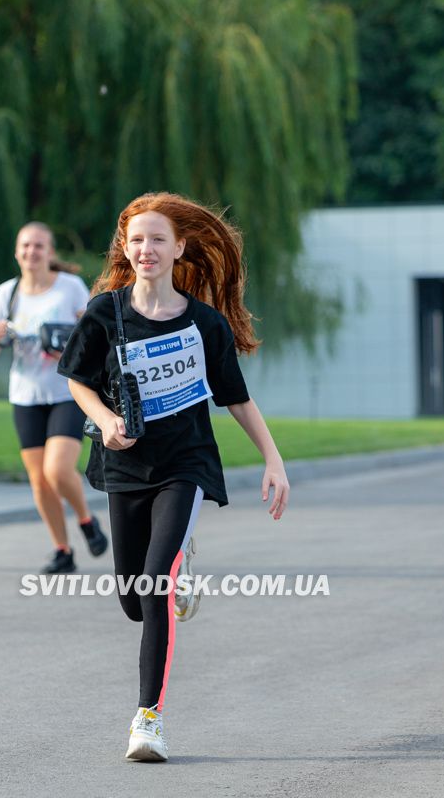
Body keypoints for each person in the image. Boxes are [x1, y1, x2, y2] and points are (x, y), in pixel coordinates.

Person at [58, 192, 290, 762]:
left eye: (157, 238)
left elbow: (235, 396)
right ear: (126, 249)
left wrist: (273, 458)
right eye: (136, 240)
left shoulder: (204, 323)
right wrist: (106, 418)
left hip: (184, 465)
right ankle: (175, 568)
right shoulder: (105, 314)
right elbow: (77, 380)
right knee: (134, 600)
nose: (146, 249)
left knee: (155, 584)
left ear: (179, 247)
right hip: (124, 466)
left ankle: (148, 720)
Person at [0, 221, 109, 574]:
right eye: (25, 246)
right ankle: (62, 550)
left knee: (57, 469)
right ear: (17, 252)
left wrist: (66, 349)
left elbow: (94, 334)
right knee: (39, 480)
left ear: (50, 253)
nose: (31, 252)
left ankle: (85, 520)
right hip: (25, 394)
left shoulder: (69, 288)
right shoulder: (7, 293)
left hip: (67, 391)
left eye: (38, 246)